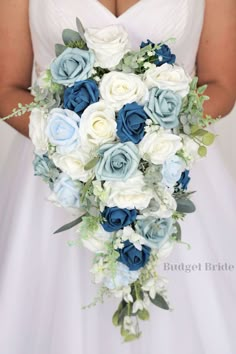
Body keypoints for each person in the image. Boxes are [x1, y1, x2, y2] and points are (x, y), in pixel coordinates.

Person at [0, 1, 235, 353]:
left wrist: (149, 144)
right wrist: (81, 144)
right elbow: (7, 90)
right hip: (55, 183)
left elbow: (221, 85)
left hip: (172, 172)